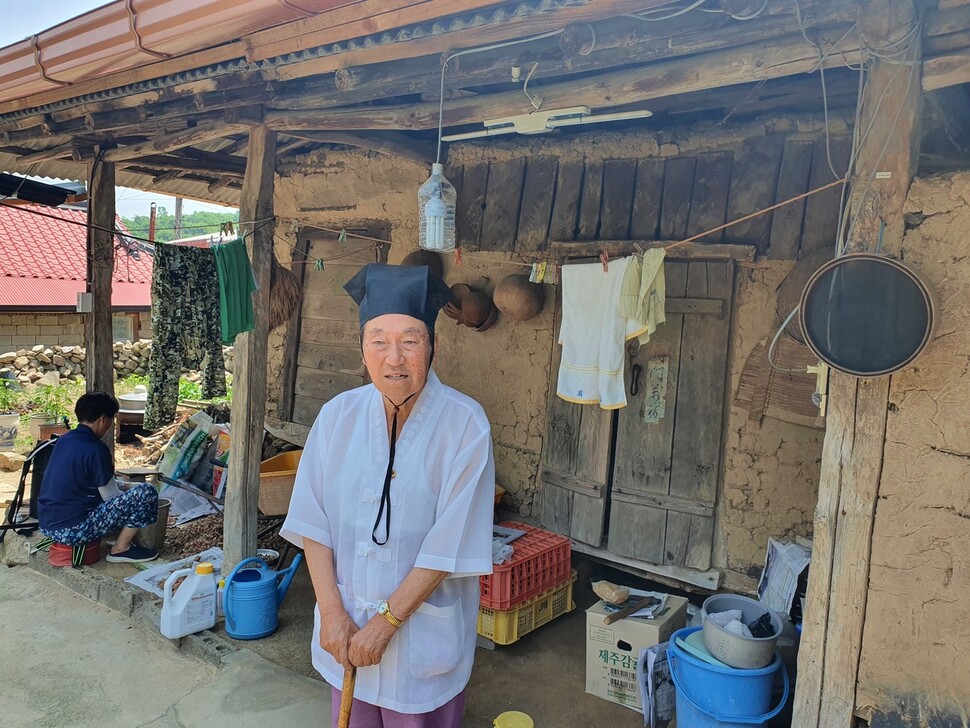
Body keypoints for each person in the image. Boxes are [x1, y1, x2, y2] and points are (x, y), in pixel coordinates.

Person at [281, 263, 495, 727]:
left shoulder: (466, 425)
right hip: (344, 634)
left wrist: (386, 624)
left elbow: (449, 544)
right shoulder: (337, 416)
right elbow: (312, 523)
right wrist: (333, 613)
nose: (393, 357)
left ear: (432, 347)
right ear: (362, 348)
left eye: (409, 341)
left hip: (421, 643)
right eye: (379, 341)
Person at [38, 391, 160, 563]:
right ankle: (120, 548)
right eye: (112, 419)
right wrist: (133, 497)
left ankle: (119, 539)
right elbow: (110, 497)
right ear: (103, 419)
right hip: (72, 530)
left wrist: (126, 487)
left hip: (47, 524)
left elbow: (87, 481)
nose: (111, 424)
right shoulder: (96, 449)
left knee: (129, 489)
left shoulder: (65, 440)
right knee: (147, 492)